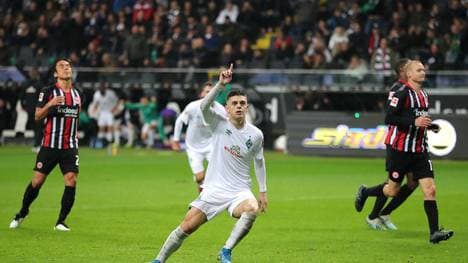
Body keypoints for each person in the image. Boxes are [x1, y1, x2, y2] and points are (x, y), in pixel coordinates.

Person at [151, 64, 267, 263]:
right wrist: (220, 85)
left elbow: (259, 161)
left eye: (242, 103)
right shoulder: (218, 124)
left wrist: (263, 191)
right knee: (186, 227)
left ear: (247, 107)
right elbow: (204, 106)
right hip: (214, 189)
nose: (239, 106)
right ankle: (159, 260)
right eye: (235, 103)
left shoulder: (256, 135)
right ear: (227, 108)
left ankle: (226, 251)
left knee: (252, 208)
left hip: (239, 191)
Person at [354, 60, 454, 243]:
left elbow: (418, 118)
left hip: (420, 150)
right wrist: (414, 123)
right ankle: (365, 192)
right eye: (419, 70)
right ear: (409, 74)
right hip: (400, 150)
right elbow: (389, 118)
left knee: (430, 189)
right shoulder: (400, 94)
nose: (423, 72)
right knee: (392, 190)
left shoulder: (423, 94)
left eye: (424, 69)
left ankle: (434, 233)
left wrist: (430, 126)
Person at [9, 58, 83, 231]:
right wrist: (50, 104)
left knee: (71, 180)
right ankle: (22, 212)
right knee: (37, 181)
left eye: (68, 66)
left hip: (70, 146)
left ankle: (61, 221)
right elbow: (36, 116)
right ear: (56, 73)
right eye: (62, 67)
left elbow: (75, 118)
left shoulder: (78, 94)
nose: (66, 69)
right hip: (49, 145)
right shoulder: (48, 92)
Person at [361, 58, 420, 231]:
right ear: (403, 69)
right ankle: (372, 213)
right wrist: (413, 122)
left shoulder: (414, 89)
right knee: (392, 183)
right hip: (397, 142)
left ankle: (384, 213)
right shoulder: (397, 89)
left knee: (412, 182)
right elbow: (391, 116)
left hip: (412, 143)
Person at [171, 82, 226, 192]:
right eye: (207, 92)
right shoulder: (193, 107)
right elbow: (179, 121)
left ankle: (209, 194)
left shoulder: (221, 110)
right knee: (200, 177)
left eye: (212, 92)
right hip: (193, 147)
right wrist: (175, 140)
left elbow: (226, 128)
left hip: (212, 145)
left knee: (218, 173)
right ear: (202, 94)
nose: (209, 94)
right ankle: (200, 181)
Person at [90, 82, 119, 148]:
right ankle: (101, 142)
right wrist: (94, 110)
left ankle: (109, 142)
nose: (102, 90)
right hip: (102, 112)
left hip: (109, 112)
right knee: (101, 127)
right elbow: (96, 103)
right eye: (101, 89)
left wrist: (114, 109)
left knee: (110, 127)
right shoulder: (96, 95)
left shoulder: (111, 93)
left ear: (105, 89)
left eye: (103, 89)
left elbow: (116, 101)